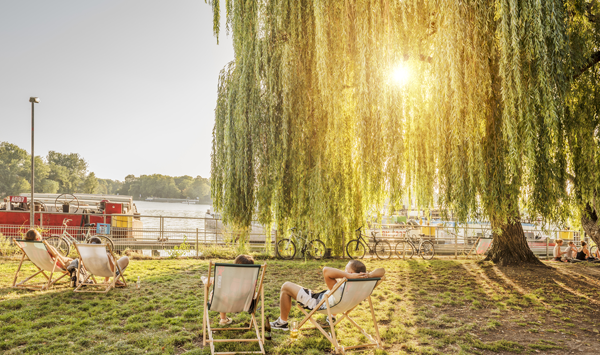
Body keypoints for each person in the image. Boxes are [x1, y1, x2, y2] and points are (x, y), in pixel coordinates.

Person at [269, 260, 385, 330]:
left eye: (346, 270)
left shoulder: (340, 288)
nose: (343, 272)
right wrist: (368, 275)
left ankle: (282, 322)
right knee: (321, 293)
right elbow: (382, 271)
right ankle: (332, 317)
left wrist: (347, 276)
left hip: (317, 303)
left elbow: (326, 270)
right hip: (342, 305)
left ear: (351, 274)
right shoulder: (365, 287)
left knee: (285, 286)